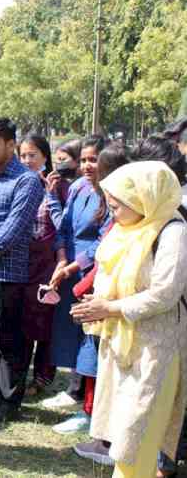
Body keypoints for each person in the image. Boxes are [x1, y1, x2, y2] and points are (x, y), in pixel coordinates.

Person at [69, 161, 187, 478]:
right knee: (124, 436)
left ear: (144, 200)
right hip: (121, 348)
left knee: (140, 436)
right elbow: (112, 278)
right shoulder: (126, 231)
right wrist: (97, 302)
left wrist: (109, 308)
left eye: (118, 206)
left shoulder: (172, 232)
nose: (113, 213)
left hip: (155, 352)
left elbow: (165, 293)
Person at [0, 118, 44, 425]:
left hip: (8, 276)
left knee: (9, 343)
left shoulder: (26, 180)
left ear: (10, 145)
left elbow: (12, 231)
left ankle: (8, 402)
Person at [128, 135, 187, 477]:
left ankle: (164, 463)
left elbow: (166, 290)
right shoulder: (150, 216)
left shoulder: (174, 223)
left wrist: (115, 307)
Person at [42, 137, 110, 424]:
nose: (86, 166)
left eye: (92, 160)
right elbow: (64, 227)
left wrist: (72, 267)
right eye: (83, 160)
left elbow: (102, 242)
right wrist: (60, 259)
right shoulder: (78, 187)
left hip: (91, 273)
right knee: (70, 331)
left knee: (89, 338)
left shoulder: (110, 195)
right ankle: (74, 390)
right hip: (68, 267)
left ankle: (88, 402)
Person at [17, 134, 69, 397]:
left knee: (46, 319)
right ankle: (19, 373)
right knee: (24, 319)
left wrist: (61, 258)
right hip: (23, 260)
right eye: (23, 155)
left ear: (45, 157)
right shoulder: (17, 182)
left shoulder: (57, 186)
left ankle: (42, 377)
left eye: (32, 155)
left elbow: (62, 227)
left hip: (48, 262)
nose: (27, 160)